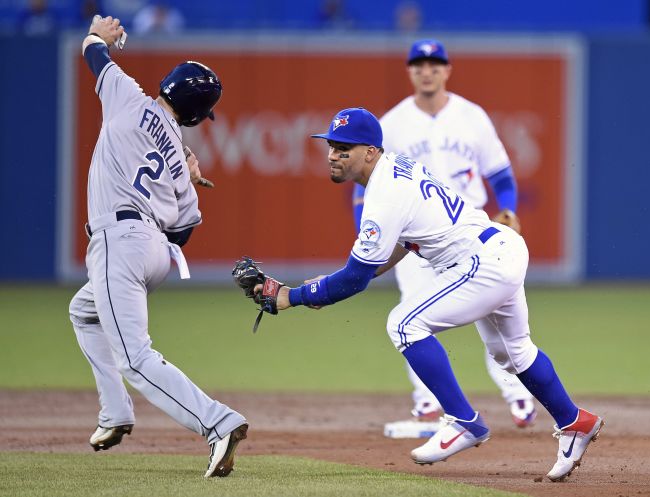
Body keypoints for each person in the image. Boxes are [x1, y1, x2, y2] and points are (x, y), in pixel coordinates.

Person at [253, 107, 604, 482]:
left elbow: (355, 279)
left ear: (370, 151)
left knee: (403, 324)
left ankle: (464, 421)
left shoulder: (384, 193)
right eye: (331, 145)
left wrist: (293, 296)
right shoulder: (396, 168)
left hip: (481, 261)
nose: (333, 154)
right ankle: (574, 421)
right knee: (513, 352)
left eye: (344, 148)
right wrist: (329, 286)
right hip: (500, 248)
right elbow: (398, 247)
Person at [68, 15, 247, 478]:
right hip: (153, 250)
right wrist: (185, 175)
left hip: (118, 242)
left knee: (134, 356)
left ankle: (217, 422)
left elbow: (93, 53)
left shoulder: (128, 96)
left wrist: (98, 34)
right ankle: (116, 413)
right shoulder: (179, 150)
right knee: (84, 311)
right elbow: (184, 230)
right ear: (195, 114)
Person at [352, 39, 536, 438]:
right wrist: (366, 235)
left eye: (435, 63)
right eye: (419, 63)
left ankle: (518, 394)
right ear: (410, 71)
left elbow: (501, 174)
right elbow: (364, 188)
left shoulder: (472, 117)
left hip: (468, 231)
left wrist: (509, 206)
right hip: (414, 240)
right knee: (410, 317)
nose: (427, 69)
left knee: (496, 322)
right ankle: (428, 405)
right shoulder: (394, 123)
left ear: (447, 70)